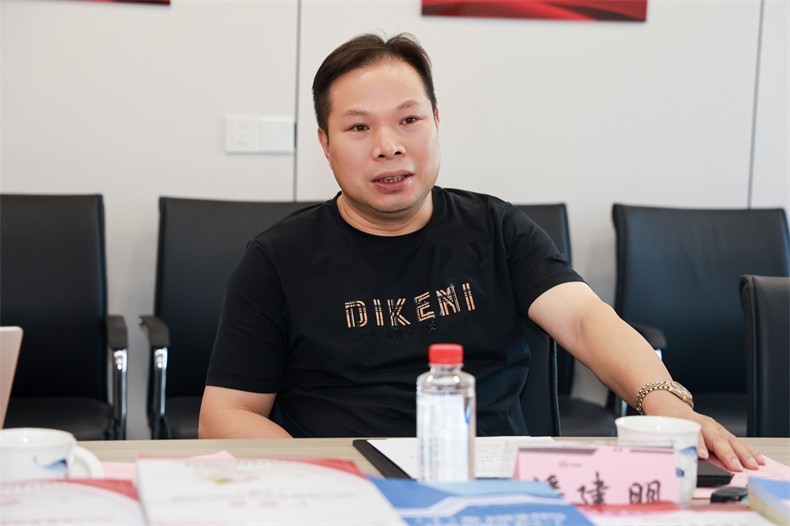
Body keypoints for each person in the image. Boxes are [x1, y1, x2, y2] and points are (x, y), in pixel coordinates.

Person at [199, 32, 763, 473]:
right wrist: (332, 474)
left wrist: (666, 403)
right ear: (325, 143)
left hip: (492, 481)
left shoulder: (496, 229)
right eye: (358, 127)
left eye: (409, 120)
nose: (388, 146)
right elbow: (227, 415)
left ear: (436, 122)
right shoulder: (277, 258)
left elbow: (585, 319)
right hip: (347, 485)